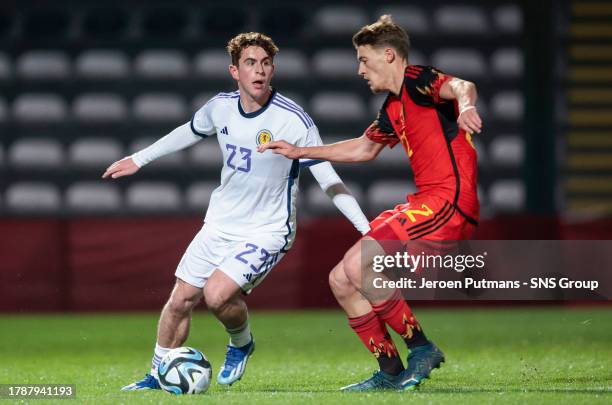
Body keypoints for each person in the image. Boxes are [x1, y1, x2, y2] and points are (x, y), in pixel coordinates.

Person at [103, 32, 370, 391]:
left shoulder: (294, 120)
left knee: (217, 295)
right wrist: (139, 159)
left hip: (267, 229)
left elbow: (328, 179)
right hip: (219, 224)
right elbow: (188, 131)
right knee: (180, 299)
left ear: (272, 69)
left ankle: (241, 343)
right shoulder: (220, 107)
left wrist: (366, 228)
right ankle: (157, 372)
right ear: (234, 71)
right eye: (249, 63)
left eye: (264, 63)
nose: (258, 71)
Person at [258, 15, 482, 392]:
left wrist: (465, 107)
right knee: (340, 279)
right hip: (426, 201)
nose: (360, 69)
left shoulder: (417, 81)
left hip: (448, 200)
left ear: (389, 56)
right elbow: (364, 148)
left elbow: (463, 85)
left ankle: (421, 348)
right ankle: (390, 369)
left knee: (358, 265)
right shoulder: (393, 108)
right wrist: (299, 151)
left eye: (364, 59)